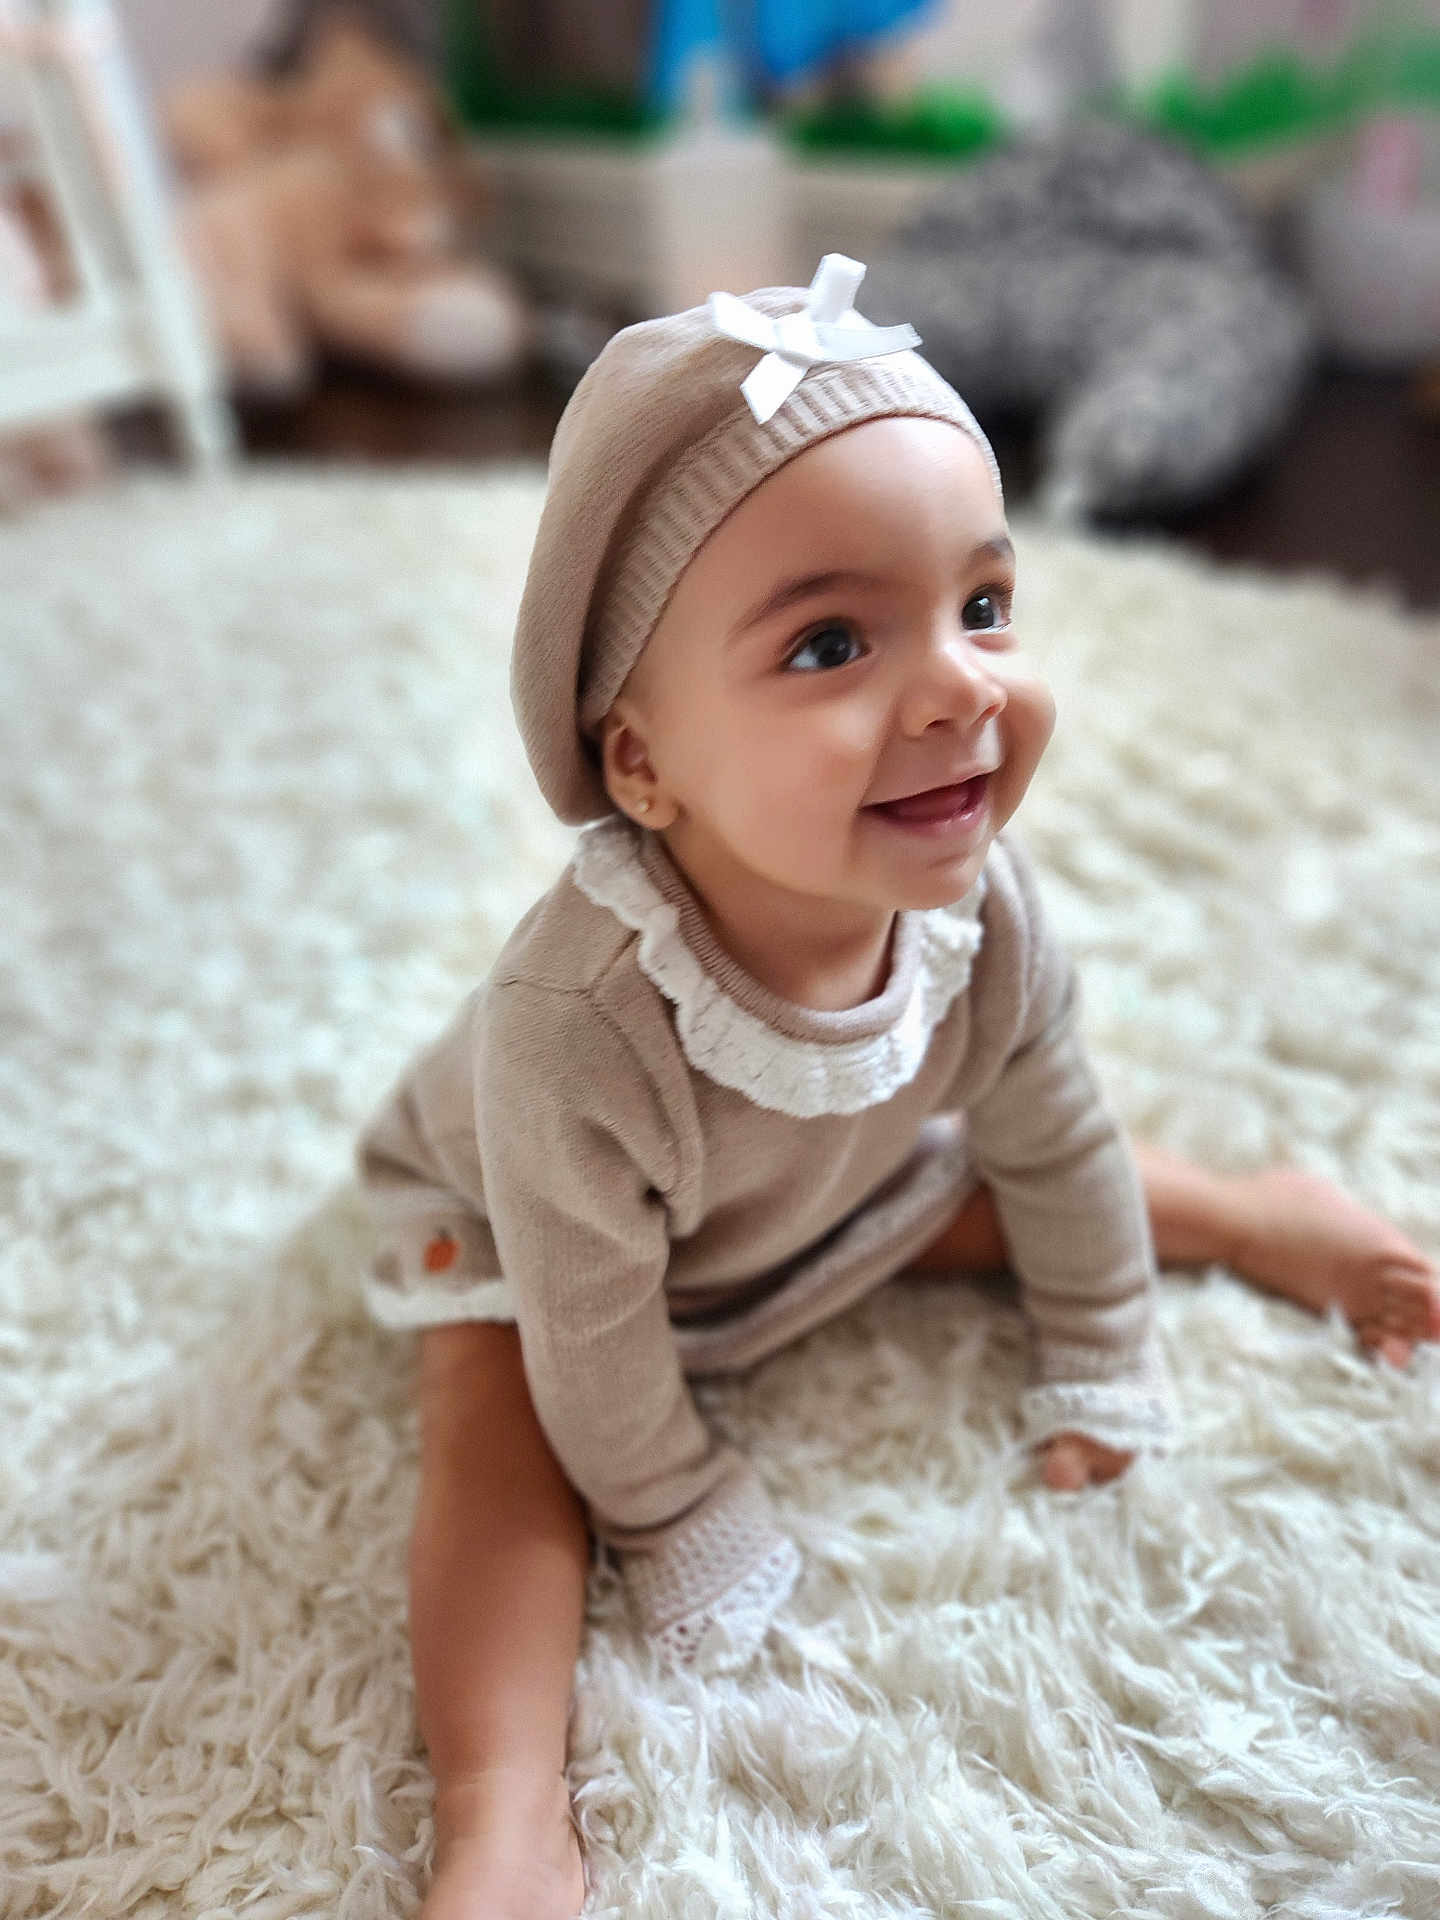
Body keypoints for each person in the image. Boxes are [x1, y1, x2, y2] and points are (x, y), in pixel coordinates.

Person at [354, 257, 1440, 1920]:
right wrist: (672, 1499)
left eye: (984, 607)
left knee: (971, 1182)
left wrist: (1100, 1341)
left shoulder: (981, 912)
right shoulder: (573, 1022)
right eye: (835, 642)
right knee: (497, 1438)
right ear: (639, 763)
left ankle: (1238, 1210)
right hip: (532, 1234)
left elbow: (1050, 1131)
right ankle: (504, 1818)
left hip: (810, 1179)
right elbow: (594, 1334)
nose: (960, 692)